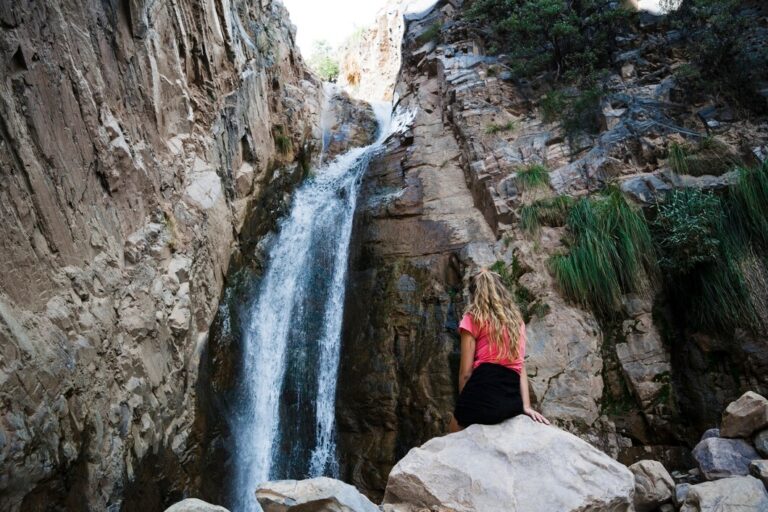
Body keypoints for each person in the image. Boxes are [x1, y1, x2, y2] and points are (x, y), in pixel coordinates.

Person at [448, 268, 550, 432]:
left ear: (474, 294)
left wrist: (464, 402)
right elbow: (520, 365)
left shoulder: (473, 318)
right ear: (502, 291)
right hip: (512, 399)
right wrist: (526, 406)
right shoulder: (516, 322)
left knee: (455, 425)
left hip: (484, 386)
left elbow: (465, 373)